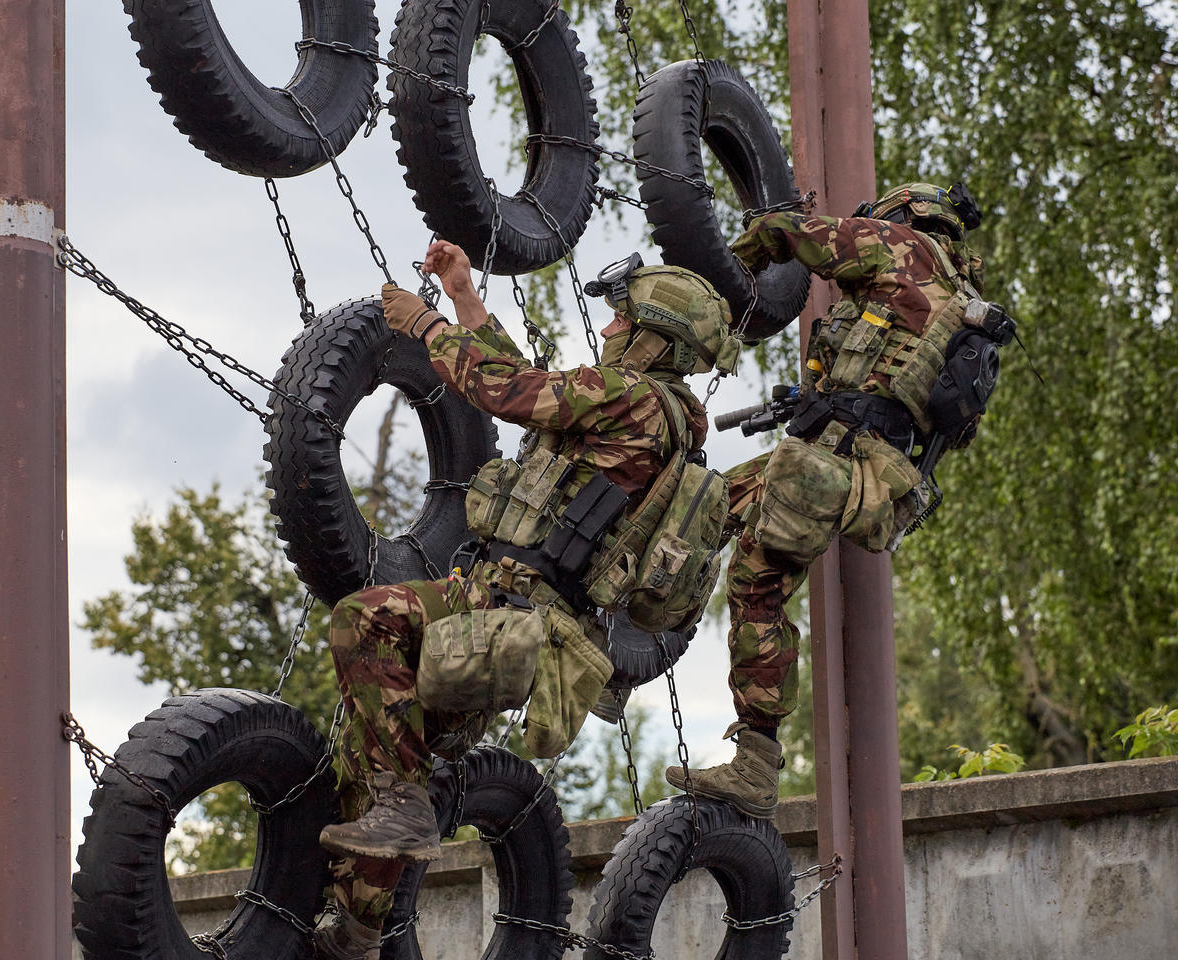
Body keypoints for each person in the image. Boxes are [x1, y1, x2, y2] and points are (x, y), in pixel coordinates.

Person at [314, 239, 737, 959]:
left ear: (651, 339)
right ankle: (357, 926)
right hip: (496, 601)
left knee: (367, 624)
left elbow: (506, 391)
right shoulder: (633, 410)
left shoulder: (633, 403)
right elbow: (527, 389)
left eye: (619, 322)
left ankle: (388, 845)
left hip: (515, 617)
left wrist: (424, 327)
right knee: (391, 741)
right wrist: (464, 297)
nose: (605, 331)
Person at [668, 181, 1006, 819]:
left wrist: (726, 283)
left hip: (833, 461)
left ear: (902, 217)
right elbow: (905, 397)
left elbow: (786, 233)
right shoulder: (961, 304)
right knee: (706, 503)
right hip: (872, 472)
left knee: (755, 583)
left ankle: (755, 765)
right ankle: (637, 641)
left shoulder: (901, 247)